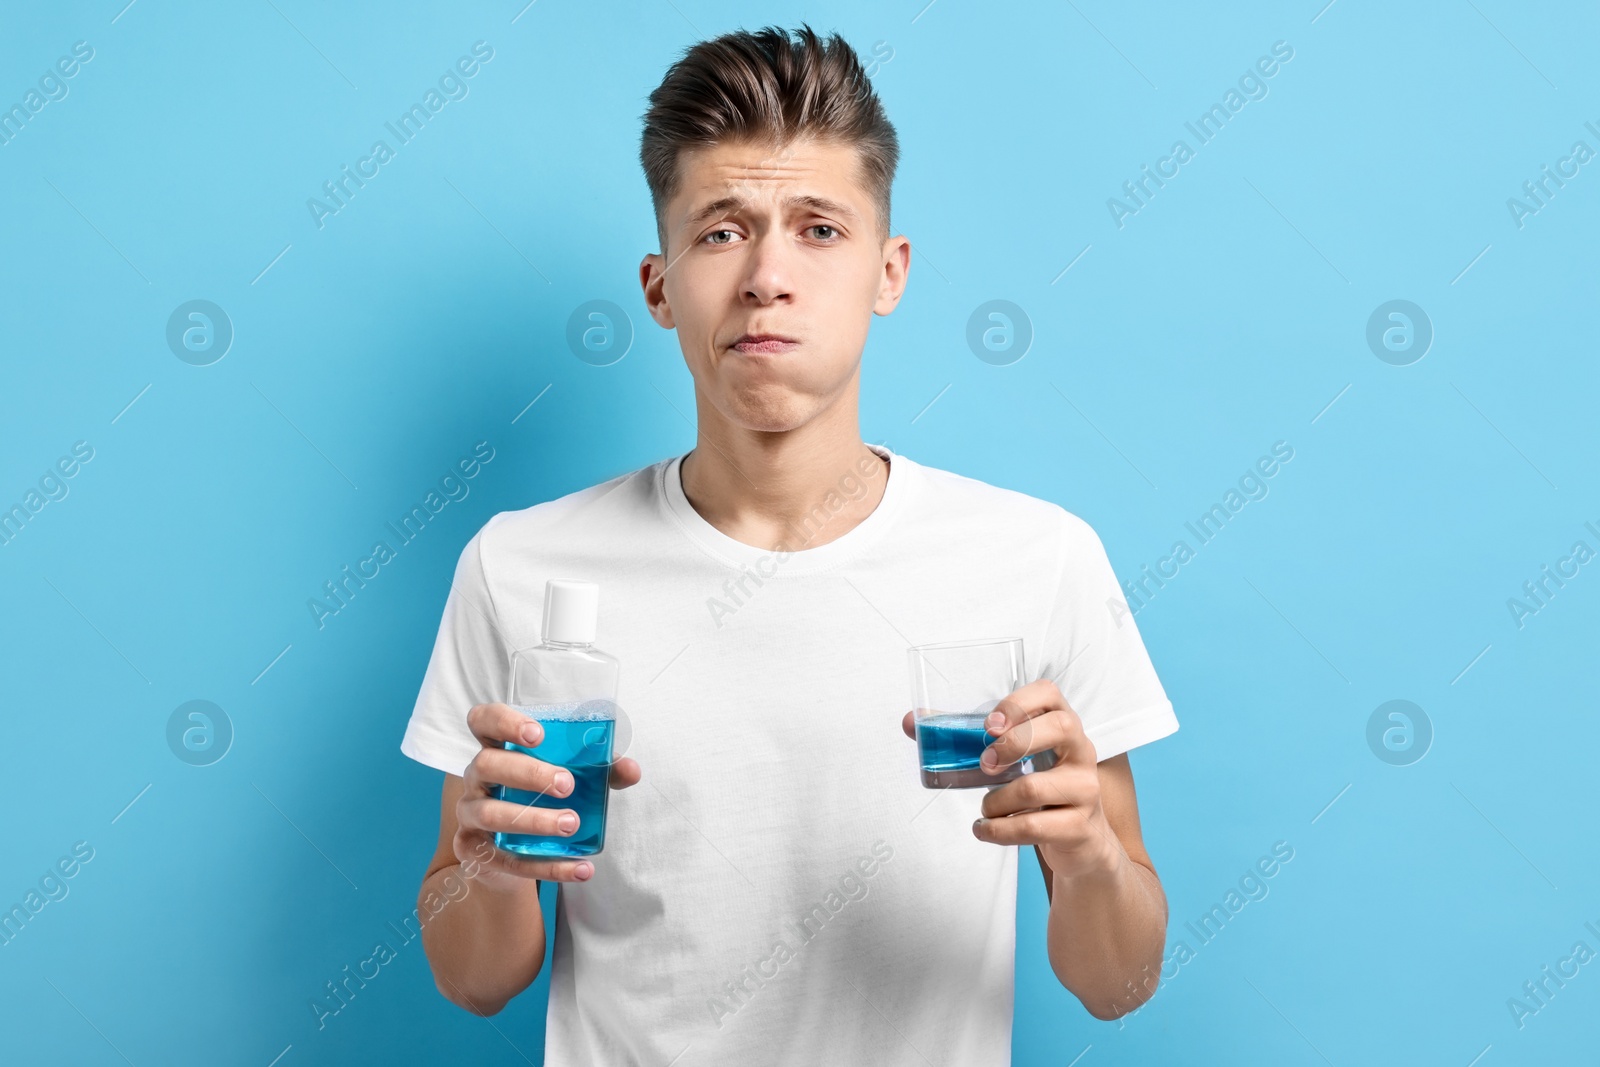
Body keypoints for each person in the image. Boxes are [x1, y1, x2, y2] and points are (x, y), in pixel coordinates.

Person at [399, 23, 1179, 1064]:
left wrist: (1086, 860)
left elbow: (1118, 985)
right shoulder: (524, 566)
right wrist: (489, 869)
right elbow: (473, 980)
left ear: (888, 271)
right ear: (659, 285)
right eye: (721, 231)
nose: (767, 274)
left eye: (818, 229)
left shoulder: (1036, 560)